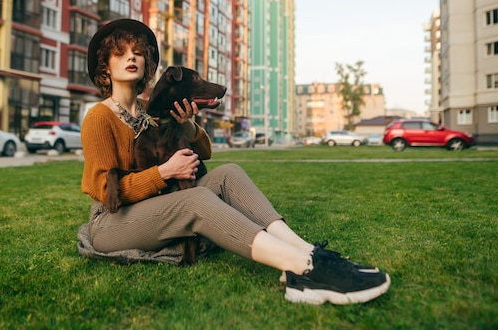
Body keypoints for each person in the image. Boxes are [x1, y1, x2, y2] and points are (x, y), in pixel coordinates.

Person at [78, 18, 390, 305]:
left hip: (154, 206)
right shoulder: (99, 117)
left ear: (147, 62)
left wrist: (187, 125)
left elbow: (205, 152)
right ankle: (302, 269)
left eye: (137, 52)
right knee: (196, 199)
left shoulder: (152, 109)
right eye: (120, 54)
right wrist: (165, 172)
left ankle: (307, 250)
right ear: (105, 67)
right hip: (111, 222)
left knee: (228, 173)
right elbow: (105, 190)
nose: (131, 57)